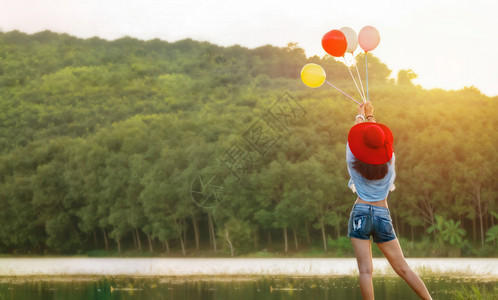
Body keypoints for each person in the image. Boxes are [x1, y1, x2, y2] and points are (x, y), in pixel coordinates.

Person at [346, 101, 432, 300]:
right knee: (403, 269)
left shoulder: (352, 159)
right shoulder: (389, 160)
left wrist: (360, 115)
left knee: (366, 271)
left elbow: (357, 136)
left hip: (360, 213)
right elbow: (378, 139)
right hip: (381, 214)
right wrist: (370, 116)